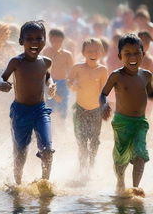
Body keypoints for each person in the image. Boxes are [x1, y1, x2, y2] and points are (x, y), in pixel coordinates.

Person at [0, 21, 56, 185]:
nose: (34, 42)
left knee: (47, 150)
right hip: (20, 111)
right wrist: (1, 84)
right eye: (29, 38)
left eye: (39, 38)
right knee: (21, 151)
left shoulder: (46, 62)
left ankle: (45, 183)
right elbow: (1, 77)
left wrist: (50, 84)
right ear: (21, 41)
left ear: (44, 41)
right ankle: (18, 183)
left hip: (40, 110)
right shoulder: (16, 62)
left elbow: (47, 75)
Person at [100, 34, 153, 196]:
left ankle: (135, 187)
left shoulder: (146, 75)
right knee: (121, 158)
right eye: (127, 53)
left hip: (140, 122)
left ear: (142, 55)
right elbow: (103, 94)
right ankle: (121, 182)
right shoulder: (117, 75)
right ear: (119, 56)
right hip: (122, 122)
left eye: (137, 53)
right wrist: (103, 105)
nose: (132, 57)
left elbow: (150, 95)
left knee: (140, 154)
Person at [68, 38, 108, 175]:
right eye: (89, 50)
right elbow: (70, 83)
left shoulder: (103, 70)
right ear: (83, 52)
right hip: (80, 109)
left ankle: (91, 165)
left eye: (96, 50)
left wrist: (105, 106)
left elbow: (104, 91)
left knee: (95, 141)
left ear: (101, 52)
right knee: (81, 141)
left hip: (96, 110)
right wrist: (73, 85)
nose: (93, 53)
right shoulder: (77, 68)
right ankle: (82, 167)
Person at [43, 28, 73, 120]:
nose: (56, 43)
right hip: (49, 82)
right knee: (49, 106)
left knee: (62, 106)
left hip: (63, 83)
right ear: (50, 39)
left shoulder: (67, 54)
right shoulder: (46, 52)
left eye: (59, 41)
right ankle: (50, 127)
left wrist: (71, 82)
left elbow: (72, 72)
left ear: (62, 41)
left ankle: (62, 126)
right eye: (54, 41)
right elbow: (43, 70)